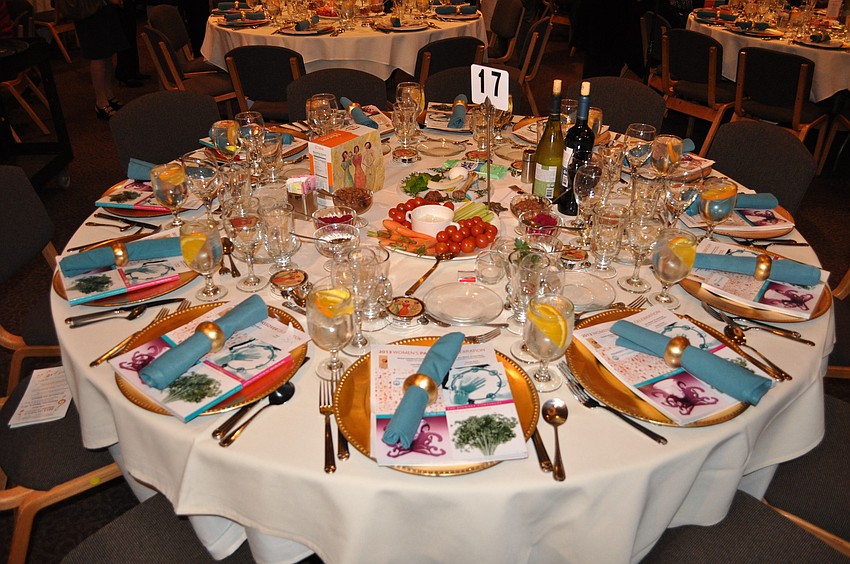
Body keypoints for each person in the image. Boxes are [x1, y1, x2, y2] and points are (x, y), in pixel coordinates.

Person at [73, 0, 129, 119]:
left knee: (107, 54)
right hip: (90, 11)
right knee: (98, 55)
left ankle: (108, 95)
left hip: (103, 8)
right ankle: (101, 102)